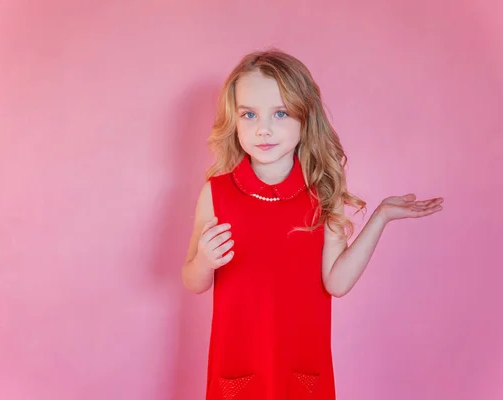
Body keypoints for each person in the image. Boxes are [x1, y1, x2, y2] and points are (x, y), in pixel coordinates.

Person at [181, 49, 443, 400]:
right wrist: (204, 261)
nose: (264, 129)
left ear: (306, 119)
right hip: (238, 371)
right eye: (249, 114)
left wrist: (380, 218)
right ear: (235, 121)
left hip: (301, 373)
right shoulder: (216, 193)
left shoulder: (323, 194)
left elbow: (336, 282)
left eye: (280, 113)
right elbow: (193, 281)